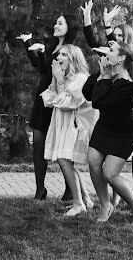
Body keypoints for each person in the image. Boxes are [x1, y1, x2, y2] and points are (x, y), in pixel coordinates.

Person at [17, 13, 81, 202]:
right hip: (43, 101)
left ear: (70, 27)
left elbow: (53, 70)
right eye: (56, 22)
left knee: (63, 148)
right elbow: (39, 66)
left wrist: (43, 52)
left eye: (60, 23)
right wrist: (28, 44)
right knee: (38, 144)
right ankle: (40, 190)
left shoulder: (70, 49)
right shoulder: (52, 45)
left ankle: (70, 190)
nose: (55, 25)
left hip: (59, 101)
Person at [82, 41, 133, 226]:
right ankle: (105, 205)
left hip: (124, 132)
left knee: (110, 173)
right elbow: (87, 93)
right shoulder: (109, 74)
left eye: (110, 51)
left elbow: (97, 102)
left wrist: (103, 77)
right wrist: (99, 73)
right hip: (105, 126)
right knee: (93, 161)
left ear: (121, 58)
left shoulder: (126, 85)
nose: (105, 53)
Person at [41, 44, 97, 216]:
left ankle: (78, 203)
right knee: (66, 161)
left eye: (64, 55)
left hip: (73, 125)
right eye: (59, 54)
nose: (59, 58)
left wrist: (59, 81)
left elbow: (65, 105)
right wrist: (55, 79)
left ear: (73, 58)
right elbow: (49, 101)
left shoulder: (81, 78)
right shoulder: (65, 77)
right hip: (61, 123)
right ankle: (85, 199)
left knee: (65, 160)